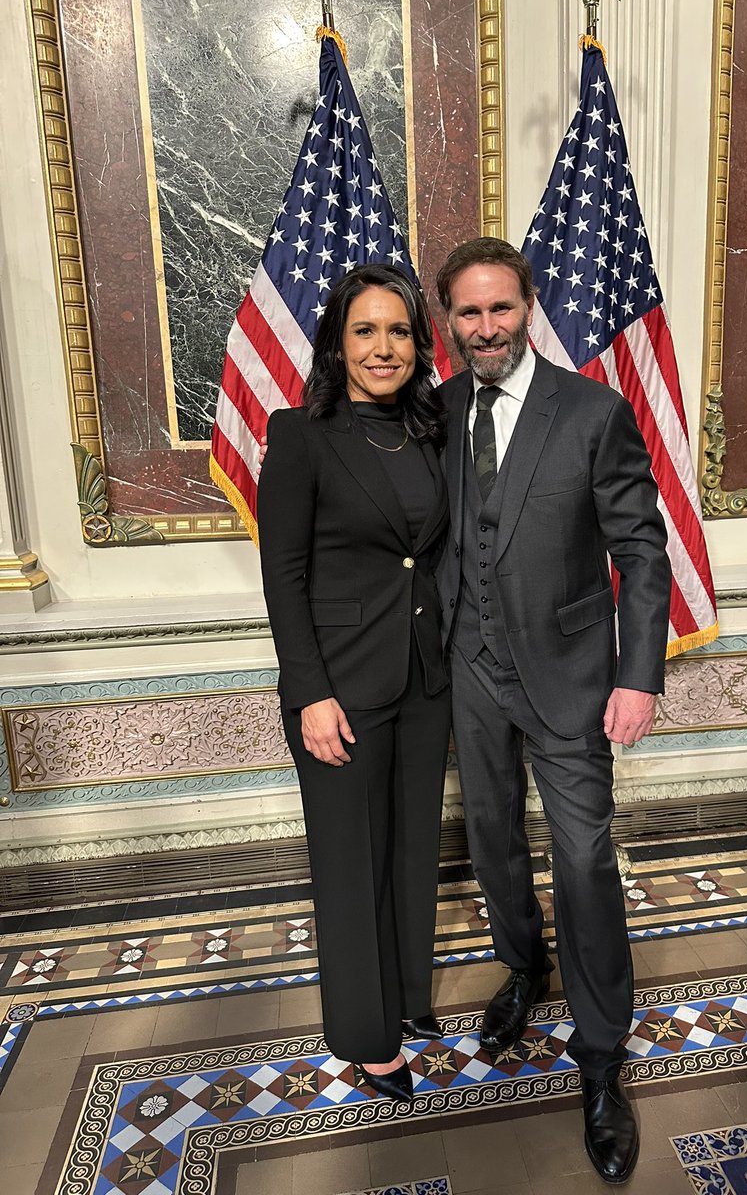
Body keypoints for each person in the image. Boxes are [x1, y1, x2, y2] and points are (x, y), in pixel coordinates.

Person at [434, 237, 671, 1185]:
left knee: (580, 860)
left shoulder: (593, 411)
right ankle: (522, 966)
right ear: (447, 320)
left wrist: (639, 675)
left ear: (528, 306)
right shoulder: (438, 409)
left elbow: (642, 551)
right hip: (469, 669)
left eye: (501, 309)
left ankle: (604, 1060)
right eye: (467, 313)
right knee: (492, 839)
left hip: (573, 674)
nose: (485, 328)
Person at [257, 263, 451, 1102]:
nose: (384, 347)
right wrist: (310, 694)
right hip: (340, 685)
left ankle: (407, 998)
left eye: (400, 330)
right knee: (350, 862)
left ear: (419, 342)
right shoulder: (300, 435)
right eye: (366, 330)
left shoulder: (433, 428)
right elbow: (283, 575)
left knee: (410, 852)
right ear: (338, 342)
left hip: (425, 678)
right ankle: (369, 1038)